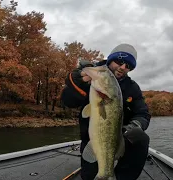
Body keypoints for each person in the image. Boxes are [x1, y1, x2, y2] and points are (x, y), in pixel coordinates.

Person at [60, 43, 151, 180]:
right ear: (110, 59)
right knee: (90, 175)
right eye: (120, 62)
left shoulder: (132, 87)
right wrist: (77, 85)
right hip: (92, 138)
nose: (123, 68)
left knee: (140, 137)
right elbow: (67, 102)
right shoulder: (94, 77)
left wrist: (133, 126)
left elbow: (143, 113)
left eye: (128, 66)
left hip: (121, 136)